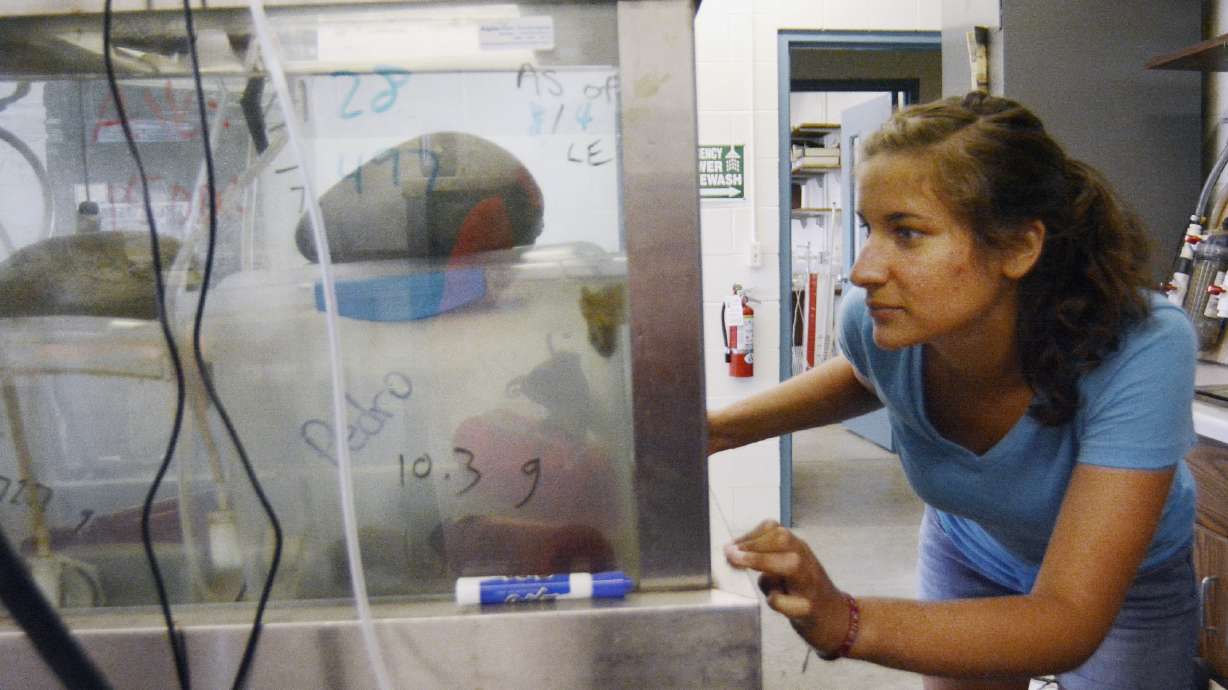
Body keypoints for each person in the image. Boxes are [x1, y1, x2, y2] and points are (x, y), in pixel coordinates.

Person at [709, 92, 1199, 690]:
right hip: (972, 546)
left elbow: (1069, 617)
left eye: (907, 233)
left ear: (1019, 247)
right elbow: (865, 375)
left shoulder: (1141, 347)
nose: (863, 270)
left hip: (1126, 586)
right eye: (870, 228)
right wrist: (722, 428)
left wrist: (848, 621)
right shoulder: (876, 321)